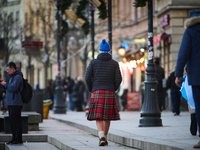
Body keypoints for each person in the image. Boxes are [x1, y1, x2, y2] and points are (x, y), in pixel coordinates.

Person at [85, 39, 122, 146]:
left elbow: (87, 77)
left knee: (99, 116)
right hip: (109, 92)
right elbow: (119, 79)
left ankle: (101, 136)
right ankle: (104, 137)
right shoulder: (114, 64)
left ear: (99, 51)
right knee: (107, 116)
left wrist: (92, 88)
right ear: (109, 51)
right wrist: (113, 88)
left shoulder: (93, 62)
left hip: (97, 91)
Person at [174, 9, 200, 148]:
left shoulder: (190, 31)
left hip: (197, 77)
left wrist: (178, 74)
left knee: (199, 107)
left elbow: (183, 53)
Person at [0, 62, 24, 144]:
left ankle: (18, 139)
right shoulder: (12, 77)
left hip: (16, 103)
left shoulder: (18, 77)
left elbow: (13, 87)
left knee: (16, 122)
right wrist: (4, 83)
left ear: (13, 69)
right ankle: (14, 138)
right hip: (12, 102)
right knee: (12, 122)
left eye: (8, 69)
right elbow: (10, 87)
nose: (7, 71)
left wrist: (5, 84)